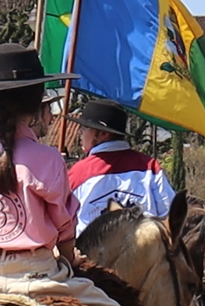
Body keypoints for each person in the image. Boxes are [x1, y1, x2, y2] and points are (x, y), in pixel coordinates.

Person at [0, 43, 153, 306]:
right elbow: (65, 232)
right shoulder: (47, 158)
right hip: (38, 277)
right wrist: (69, 262)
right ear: (38, 101)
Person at [67, 99, 175, 237]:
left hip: (92, 256)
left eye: (84, 128)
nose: (80, 134)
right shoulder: (149, 167)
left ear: (102, 134)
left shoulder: (77, 173)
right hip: (145, 254)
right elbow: (170, 215)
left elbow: (62, 222)